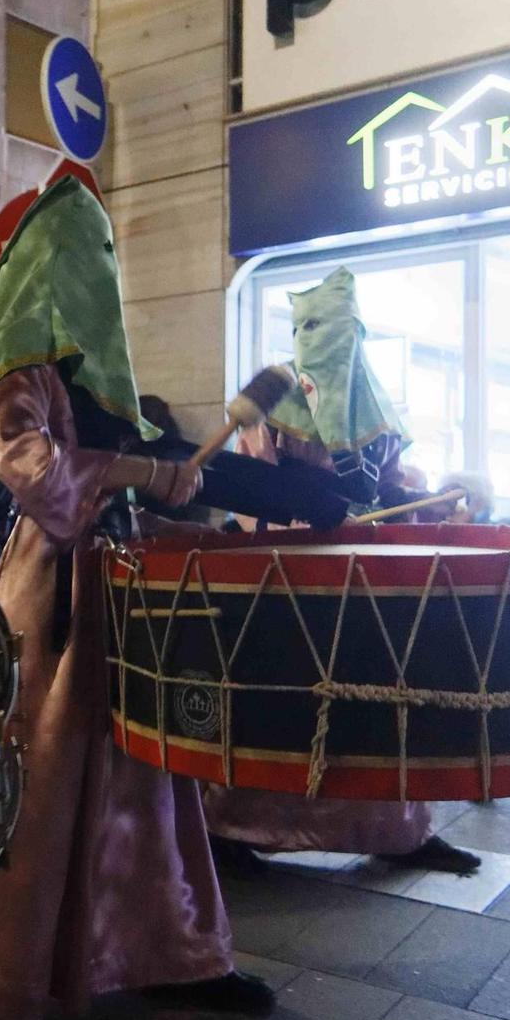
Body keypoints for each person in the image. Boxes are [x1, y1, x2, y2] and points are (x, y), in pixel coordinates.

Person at [0, 175, 273, 1020]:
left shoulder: (97, 380)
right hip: (55, 591)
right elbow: (30, 470)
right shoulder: (25, 370)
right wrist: (147, 471)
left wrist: (176, 491)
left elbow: (126, 479)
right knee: (46, 774)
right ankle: (25, 956)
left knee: (150, 773)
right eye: (88, 252)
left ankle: (166, 948)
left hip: (122, 585)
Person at [208, 267, 481, 875]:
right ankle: (236, 827)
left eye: (339, 329)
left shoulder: (374, 401)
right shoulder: (273, 402)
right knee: (281, 704)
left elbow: (390, 485)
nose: (325, 340)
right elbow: (257, 492)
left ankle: (399, 832)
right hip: (291, 580)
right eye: (310, 327)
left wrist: (429, 502)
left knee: (381, 705)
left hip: (368, 582)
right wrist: (311, 515)